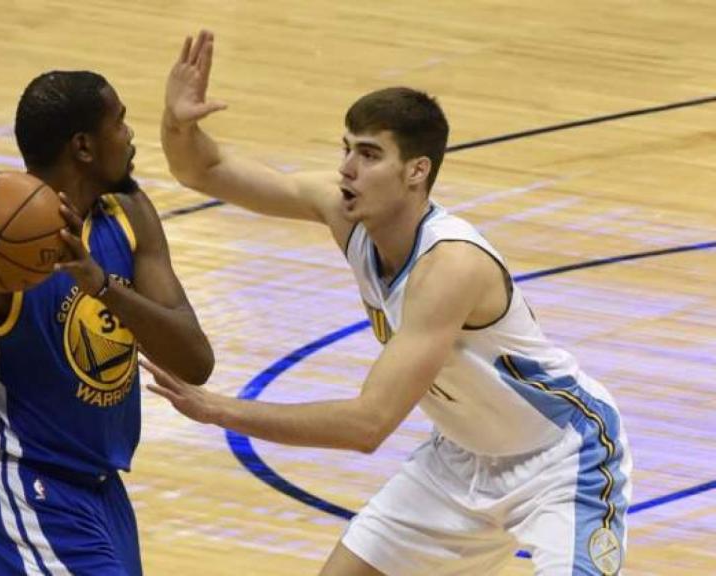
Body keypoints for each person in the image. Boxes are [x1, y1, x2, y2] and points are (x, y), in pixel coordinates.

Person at [148, 30, 631, 575]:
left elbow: (367, 424)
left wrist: (218, 410)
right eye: (347, 148)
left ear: (416, 171)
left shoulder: (451, 266)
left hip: (561, 459)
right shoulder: (344, 212)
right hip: (459, 457)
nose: (347, 168)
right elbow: (204, 170)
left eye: (369, 154)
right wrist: (179, 124)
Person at [0, 70, 214, 576]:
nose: (130, 135)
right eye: (119, 122)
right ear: (83, 147)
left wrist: (102, 286)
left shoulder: (129, 213)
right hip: (24, 491)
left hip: (103, 496)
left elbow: (195, 361)